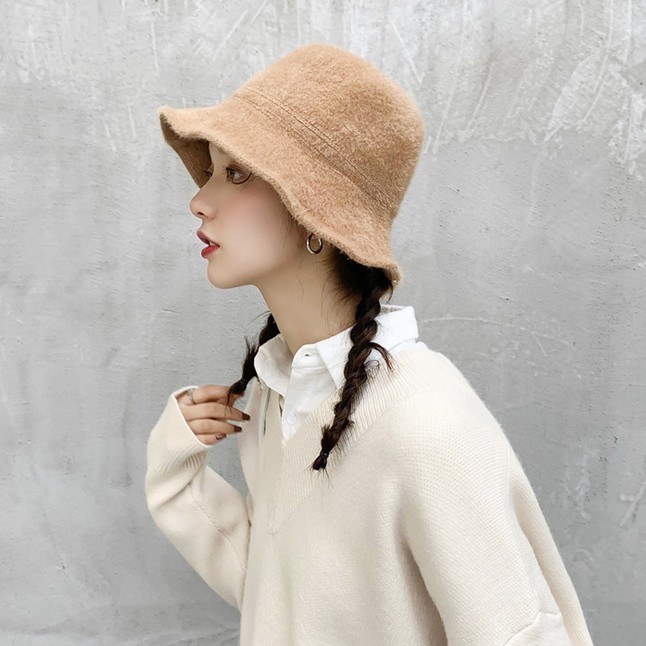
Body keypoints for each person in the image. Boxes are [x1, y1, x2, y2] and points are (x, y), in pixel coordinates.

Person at [144, 43, 594, 645]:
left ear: (314, 215)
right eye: (211, 173)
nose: (199, 200)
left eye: (236, 173)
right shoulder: (285, 396)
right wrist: (176, 470)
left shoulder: (427, 425)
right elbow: (283, 602)